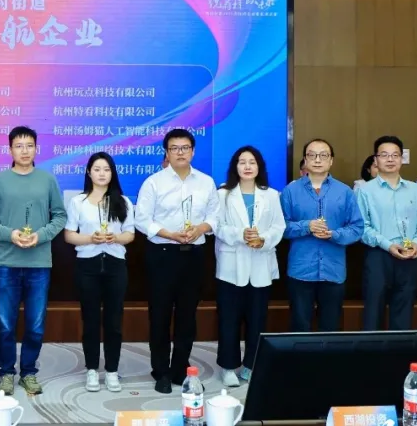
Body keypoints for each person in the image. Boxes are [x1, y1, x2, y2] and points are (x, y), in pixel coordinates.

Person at [0, 126, 67, 396]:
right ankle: (6, 373)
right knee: (5, 325)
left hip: (39, 264)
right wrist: (10, 234)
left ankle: (28, 372)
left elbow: (60, 216)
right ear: (10, 150)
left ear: (36, 148)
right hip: (6, 263)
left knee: (36, 325)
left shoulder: (47, 180)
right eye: (18, 146)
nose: (24, 150)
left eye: (29, 145)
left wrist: (40, 236)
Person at [135, 128, 219, 394]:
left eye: (185, 148)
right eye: (174, 148)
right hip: (162, 254)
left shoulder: (206, 182)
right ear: (167, 153)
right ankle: (160, 370)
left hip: (194, 255)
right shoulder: (154, 183)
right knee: (159, 314)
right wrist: (169, 234)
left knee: (187, 316)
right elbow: (142, 219)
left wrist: (200, 228)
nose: (180, 152)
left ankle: (180, 368)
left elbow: (215, 216)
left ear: (193, 151)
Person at [213, 146, 284, 387]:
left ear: (259, 166)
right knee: (229, 319)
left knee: (257, 320)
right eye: (242, 162)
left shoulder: (271, 195)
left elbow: (279, 227)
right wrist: (239, 234)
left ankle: (251, 365)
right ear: (235, 167)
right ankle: (228, 366)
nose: (247, 166)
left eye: (252, 162)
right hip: (231, 267)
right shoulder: (223, 194)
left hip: (260, 264)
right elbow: (217, 226)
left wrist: (263, 239)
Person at [63, 152, 134, 393]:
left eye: (106, 169)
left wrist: (116, 238)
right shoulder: (78, 202)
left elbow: (130, 234)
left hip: (115, 265)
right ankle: (92, 369)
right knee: (90, 320)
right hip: (87, 265)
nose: (102, 173)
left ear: (112, 173)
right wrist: (90, 239)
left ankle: (112, 370)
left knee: (114, 321)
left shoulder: (123, 202)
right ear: (88, 172)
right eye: (97, 169)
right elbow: (69, 235)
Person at [281, 139, 363, 333]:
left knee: (330, 327)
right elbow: (281, 227)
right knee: (300, 326)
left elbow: (357, 228)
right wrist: (306, 226)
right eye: (312, 155)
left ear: (331, 160)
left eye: (323, 155)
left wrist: (334, 234)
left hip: (333, 270)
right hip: (301, 270)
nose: (317, 160)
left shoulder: (345, 192)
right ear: (305, 159)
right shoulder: (290, 191)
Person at [357, 135, 417, 331]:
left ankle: (400, 350)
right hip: (378, 255)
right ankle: (373, 350)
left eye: (395, 155)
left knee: (404, 310)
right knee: (374, 310)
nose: (390, 159)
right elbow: (361, 226)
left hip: (410, 255)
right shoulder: (365, 191)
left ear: (401, 158)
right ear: (376, 159)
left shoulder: (415, 190)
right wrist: (388, 245)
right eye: (384, 155)